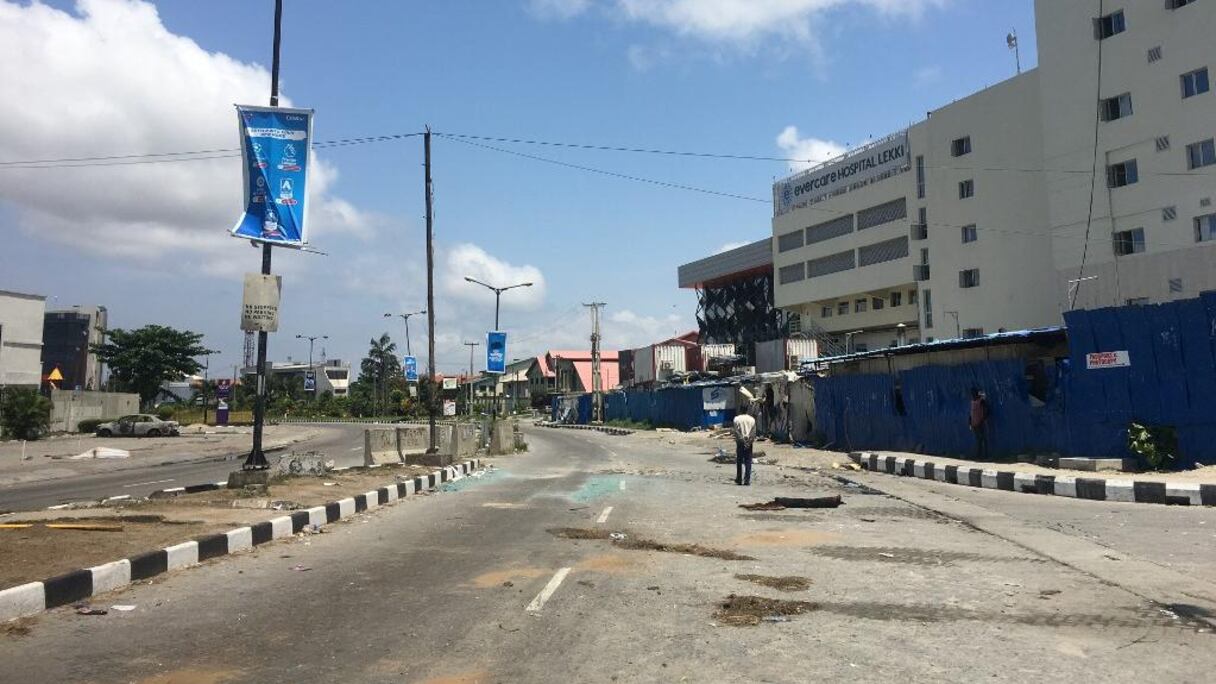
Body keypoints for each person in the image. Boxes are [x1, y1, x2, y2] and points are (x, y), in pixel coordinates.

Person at [732, 408, 757, 486]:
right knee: (748, 461)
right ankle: (747, 480)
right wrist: (749, 442)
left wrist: (742, 440)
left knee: (739, 460)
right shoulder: (752, 419)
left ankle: (739, 479)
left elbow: (736, 431)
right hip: (749, 442)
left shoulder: (736, 419)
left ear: (740, 411)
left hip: (740, 442)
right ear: (747, 411)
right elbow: (753, 432)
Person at [969, 387, 989, 460]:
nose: (972, 395)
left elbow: (986, 409)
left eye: (973, 393)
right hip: (974, 424)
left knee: (982, 439)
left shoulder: (981, 401)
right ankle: (979, 456)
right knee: (979, 440)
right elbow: (971, 413)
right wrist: (970, 423)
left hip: (980, 423)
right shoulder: (973, 402)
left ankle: (984, 456)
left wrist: (983, 418)